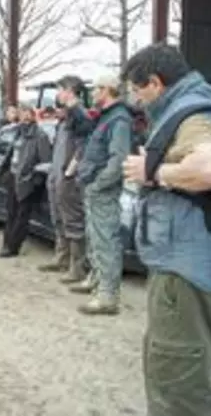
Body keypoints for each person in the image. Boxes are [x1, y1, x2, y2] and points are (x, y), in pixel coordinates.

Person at [121, 44, 211, 414]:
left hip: (186, 273)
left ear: (156, 83)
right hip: (192, 265)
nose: (136, 100)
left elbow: (207, 169)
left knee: (177, 378)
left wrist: (153, 173)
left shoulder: (192, 113)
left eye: (137, 90)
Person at [73, 73, 133, 315]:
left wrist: (99, 184)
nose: (93, 93)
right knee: (95, 237)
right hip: (94, 186)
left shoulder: (119, 120)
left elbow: (118, 159)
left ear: (107, 90)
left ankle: (108, 296)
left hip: (103, 190)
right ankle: (96, 279)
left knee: (106, 240)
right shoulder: (106, 117)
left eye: (96, 88)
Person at [38, 76, 93, 282]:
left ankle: (77, 267)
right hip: (56, 173)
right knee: (58, 216)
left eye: (60, 89)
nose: (57, 94)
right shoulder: (66, 117)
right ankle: (61, 257)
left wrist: (71, 170)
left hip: (68, 176)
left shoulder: (80, 115)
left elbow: (83, 147)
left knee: (73, 219)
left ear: (69, 90)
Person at [0, 105, 52, 258]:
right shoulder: (17, 133)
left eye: (28, 114)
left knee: (22, 216)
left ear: (34, 116)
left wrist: (35, 181)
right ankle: (6, 243)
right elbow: (10, 154)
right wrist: (6, 173)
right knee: (11, 212)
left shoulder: (40, 136)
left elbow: (45, 162)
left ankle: (13, 247)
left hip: (28, 180)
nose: (25, 117)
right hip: (14, 177)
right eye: (22, 114)